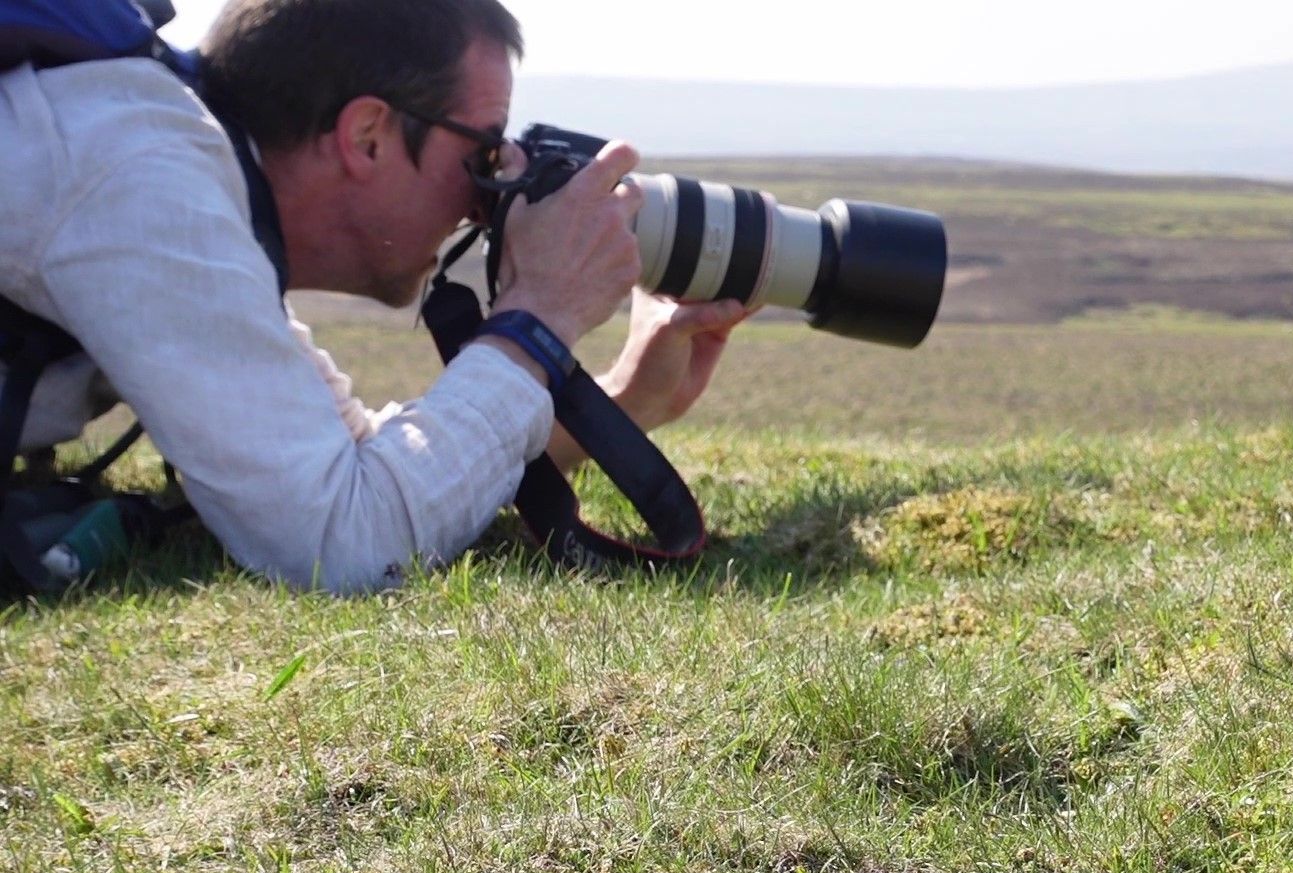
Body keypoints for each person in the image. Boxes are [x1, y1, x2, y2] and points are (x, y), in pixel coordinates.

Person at [0, 0, 749, 592]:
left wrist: (615, 404)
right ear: (367, 135)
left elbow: (349, 457)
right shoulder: (142, 173)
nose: (485, 198)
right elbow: (339, 540)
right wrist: (542, 316)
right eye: (481, 152)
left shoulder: (185, 169)